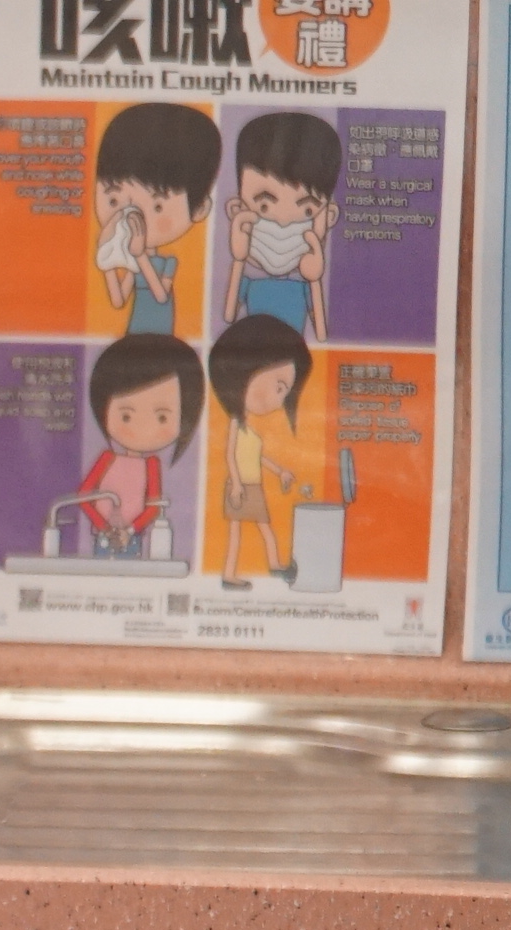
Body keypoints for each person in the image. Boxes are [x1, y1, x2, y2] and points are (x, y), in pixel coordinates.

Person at [91, 101, 220, 338]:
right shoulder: (133, 261)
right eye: (114, 200)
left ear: (199, 209)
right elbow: (118, 300)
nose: (132, 215)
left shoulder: (168, 262)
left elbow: (161, 296)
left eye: (158, 206)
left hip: (161, 329)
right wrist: (106, 258)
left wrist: (140, 255)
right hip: (135, 328)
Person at [207, 313, 313, 587]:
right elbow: (230, 455)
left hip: (253, 485)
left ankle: (275, 565)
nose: (279, 402)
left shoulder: (251, 430)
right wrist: (236, 484)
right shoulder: (235, 423)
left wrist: (280, 471)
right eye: (279, 388)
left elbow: (257, 456)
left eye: (284, 393)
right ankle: (229, 575)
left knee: (264, 526)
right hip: (240, 487)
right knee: (236, 531)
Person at [77, 332, 202, 554]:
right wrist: (103, 527)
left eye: (162, 417)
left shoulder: (151, 465)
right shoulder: (106, 458)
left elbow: (152, 507)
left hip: (132, 538)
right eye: (126, 416)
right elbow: (84, 496)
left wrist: (131, 530)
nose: (143, 427)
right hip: (103, 536)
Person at [223, 110, 341, 340]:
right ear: (237, 210)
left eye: (307, 210)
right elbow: (229, 316)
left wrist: (314, 279)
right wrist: (238, 259)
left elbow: (321, 334)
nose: (283, 222)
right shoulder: (251, 285)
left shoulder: (302, 289)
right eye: (264, 206)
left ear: (328, 217)